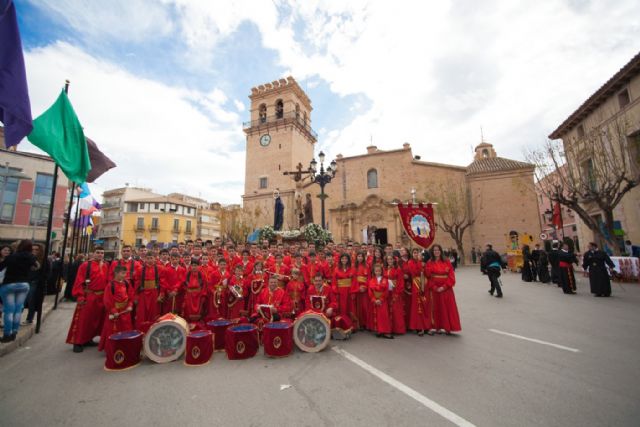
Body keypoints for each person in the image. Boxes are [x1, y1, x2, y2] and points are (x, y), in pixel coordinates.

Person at [66, 247, 109, 352]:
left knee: (95, 320)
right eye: (98, 252)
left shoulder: (105, 266)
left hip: (101, 297)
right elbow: (79, 281)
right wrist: (80, 295)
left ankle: (88, 339)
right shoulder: (85, 265)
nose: (100, 254)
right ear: (93, 254)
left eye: (102, 253)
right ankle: (78, 342)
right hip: (89, 296)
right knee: (83, 320)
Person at [0, 240, 37, 342]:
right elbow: (36, 266)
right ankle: (14, 332)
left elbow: (1, 267)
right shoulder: (31, 257)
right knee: (18, 310)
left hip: (9, 284)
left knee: (9, 310)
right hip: (24, 285)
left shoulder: (11, 257)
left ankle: (7, 334)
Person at [426, 244, 461, 334]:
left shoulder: (447, 261)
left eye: (438, 250)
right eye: (434, 250)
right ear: (432, 252)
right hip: (434, 290)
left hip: (446, 289)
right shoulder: (429, 262)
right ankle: (436, 327)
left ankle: (448, 327)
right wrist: (434, 287)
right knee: (436, 308)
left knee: (447, 308)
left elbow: (451, 276)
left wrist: (444, 287)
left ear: (441, 251)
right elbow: (428, 277)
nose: (436, 252)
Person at [98, 266, 134, 351]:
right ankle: (112, 348)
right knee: (113, 330)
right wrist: (113, 311)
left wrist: (130, 305)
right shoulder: (110, 285)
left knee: (126, 328)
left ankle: (125, 346)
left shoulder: (127, 283)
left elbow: (131, 296)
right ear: (116, 273)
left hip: (125, 311)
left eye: (125, 273)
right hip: (115, 312)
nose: (124, 275)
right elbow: (107, 300)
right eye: (122, 273)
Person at [406, 248, 431, 336]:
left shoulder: (426, 263)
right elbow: (414, 272)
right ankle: (419, 327)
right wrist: (421, 264)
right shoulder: (410, 262)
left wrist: (424, 265)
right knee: (418, 306)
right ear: (412, 254)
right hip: (416, 284)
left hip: (425, 284)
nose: (417, 255)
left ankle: (427, 327)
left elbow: (428, 274)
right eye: (415, 253)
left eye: (418, 253)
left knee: (426, 305)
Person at [368, 264, 393, 339]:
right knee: (376, 316)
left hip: (383, 301)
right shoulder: (371, 280)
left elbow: (386, 292)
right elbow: (370, 292)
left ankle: (385, 331)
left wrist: (381, 299)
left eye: (379, 271)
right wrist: (374, 300)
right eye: (376, 271)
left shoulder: (385, 280)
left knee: (384, 316)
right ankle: (379, 331)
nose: (377, 272)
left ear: (381, 271)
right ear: (374, 272)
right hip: (375, 300)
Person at [25, 243, 45, 325]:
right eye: (32, 249)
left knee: (30, 300)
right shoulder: (28, 258)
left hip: (35, 282)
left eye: (36, 249)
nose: (34, 251)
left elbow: (46, 273)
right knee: (23, 300)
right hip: (25, 281)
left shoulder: (44, 260)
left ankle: (29, 318)